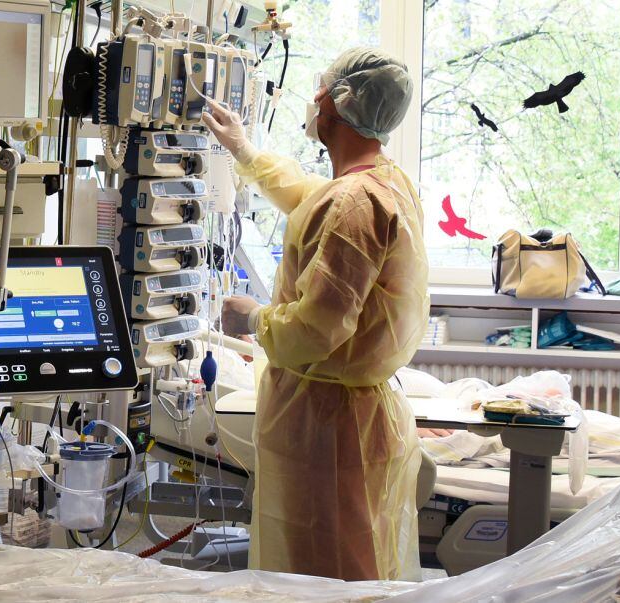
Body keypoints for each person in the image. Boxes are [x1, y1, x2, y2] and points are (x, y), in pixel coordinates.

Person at [201, 47, 429, 581]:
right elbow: (312, 200)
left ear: (340, 103)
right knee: (348, 570)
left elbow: (316, 329)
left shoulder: (355, 203)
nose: (315, 98)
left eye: (322, 89)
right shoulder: (380, 181)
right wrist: (243, 150)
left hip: (327, 430)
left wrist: (254, 318)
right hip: (348, 417)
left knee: (320, 578)